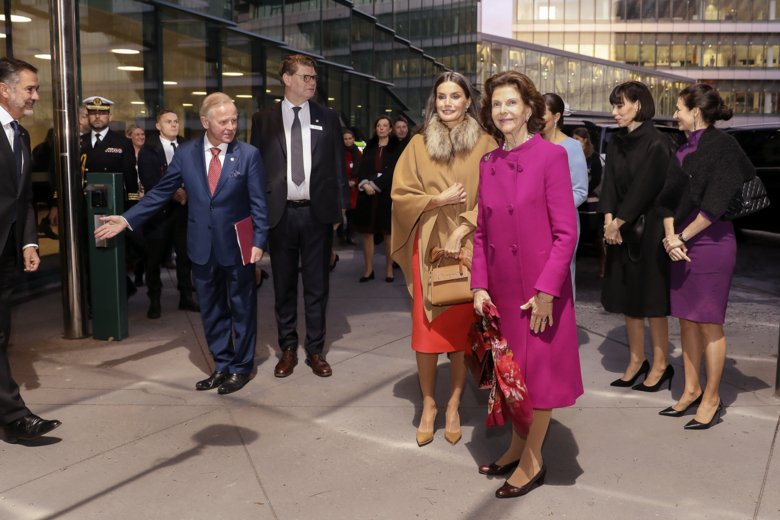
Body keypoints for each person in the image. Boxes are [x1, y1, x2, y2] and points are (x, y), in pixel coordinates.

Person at [94, 92, 269, 395]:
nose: (231, 126)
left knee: (242, 307)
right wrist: (126, 219)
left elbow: (259, 203)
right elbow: (161, 192)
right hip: (201, 244)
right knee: (212, 310)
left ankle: (241, 367)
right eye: (223, 121)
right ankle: (222, 364)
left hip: (240, 244)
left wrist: (260, 241)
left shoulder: (248, 154)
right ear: (205, 122)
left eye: (234, 120)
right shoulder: (186, 154)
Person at [471, 70, 582, 499]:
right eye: (497, 104)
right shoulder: (488, 162)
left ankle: (533, 458)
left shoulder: (551, 156)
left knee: (538, 379)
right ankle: (518, 444)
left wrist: (547, 291)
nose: (504, 111)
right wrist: (479, 285)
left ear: (530, 108)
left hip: (540, 295)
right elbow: (481, 231)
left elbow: (566, 234)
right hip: (500, 292)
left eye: (511, 103)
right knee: (510, 377)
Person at [391, 71, 496, 447]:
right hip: (429, 251)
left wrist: (463, 224)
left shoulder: (485, 144)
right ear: (433, 101)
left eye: (455, 96)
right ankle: (429, 405)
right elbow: (401, 195)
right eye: (441, 96)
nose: (448, 103)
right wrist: (436, 200)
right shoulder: (418, 145)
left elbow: (494, 199)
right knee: (425, 334)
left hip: (467, 247)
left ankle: (453, 405)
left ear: (468, 100)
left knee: (458, 336)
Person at [657, 84, 754, 429]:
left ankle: (712, 397)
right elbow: (667, 199)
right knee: (685, 319)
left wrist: (680, 236)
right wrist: (671, 237)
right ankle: (691, 388)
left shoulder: (723, 147)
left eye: (680, 108)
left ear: (695, 111)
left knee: (709, 322)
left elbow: (714, 206)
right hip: (680, 244)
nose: (675, 115)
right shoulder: (683, 149)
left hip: (711, 244)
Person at [250, 54, 347, 379]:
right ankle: (288, 348)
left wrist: (339, 212)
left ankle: (316, 350)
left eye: (314, 77)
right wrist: (256, 216)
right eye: (305, 76)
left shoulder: (328, 117)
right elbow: (255, 171)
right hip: (280, 216)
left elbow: (336, 165)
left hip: (317, 215)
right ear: (286, 79)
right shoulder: (263, 119)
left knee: (318, 286)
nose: (312, 82)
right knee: (284, 286)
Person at [0, 57, 61, 443]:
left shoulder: (21, 135)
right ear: (4, 89)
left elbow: (21, 200)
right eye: (30, 88)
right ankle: (14, 416)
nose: (36, 96)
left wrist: (28, 241)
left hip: (6, 252)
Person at [598, 81, 673, 392]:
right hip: (619, 230)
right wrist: (608, 222)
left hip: (650, 230)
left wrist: (618, 222)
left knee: (652, 300)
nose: (615, 112)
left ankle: (661, 364)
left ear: (639, 105)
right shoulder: (616, 142)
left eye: (621, 105)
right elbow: (609, 184)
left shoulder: (659, 142)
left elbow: (646, 187)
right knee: (627, 298)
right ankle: (635, 360)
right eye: (614, 106)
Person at [136, 108, 199, 319]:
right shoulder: (149, 149)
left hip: (183, 211)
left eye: (176, 121)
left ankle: (186, 297)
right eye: (168, 121)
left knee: (184, 256)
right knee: (153, 258)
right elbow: (149, 179)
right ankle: (154, 300)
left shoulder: (188, 146)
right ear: (158, 126)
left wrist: (188, 192)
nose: (174, 125)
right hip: (159, 213)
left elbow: (198, 173)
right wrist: (174, 192)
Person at [81, 96, 144, 294]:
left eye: (102, 113)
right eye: (93, 113)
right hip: (85, 206)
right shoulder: (79, 142)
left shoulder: (121, 143)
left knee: (110, 251)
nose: (97, 117)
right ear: (88, 116)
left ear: (110, 116)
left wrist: (131, 206)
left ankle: (115, 290)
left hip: (111, 207)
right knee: (89, 252)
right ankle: (95, 297)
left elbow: (130, 176)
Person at [540, 93, 588, 296]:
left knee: (562, 275)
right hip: (536, 223)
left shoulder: (572, 147)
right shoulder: (534, 144)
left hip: (562, 224)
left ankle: (565, 324)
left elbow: (580, 191)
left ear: (556, 116)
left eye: (542, 113)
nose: (536, 117)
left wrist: (552, 208)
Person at [354, 115, 400, 282]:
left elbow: (394, 171)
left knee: (388, 234)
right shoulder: (369, 147)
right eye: (378, 125)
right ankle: (368, 269)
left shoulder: (396, 148)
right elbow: (362, 168)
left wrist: (375, 185)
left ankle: (389, 269)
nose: (381, 128)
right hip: (367, 196)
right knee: (367, 233)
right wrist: (365, 184)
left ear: (390, 129)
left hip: (386, 195)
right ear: (376, 129)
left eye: (385, 125)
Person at [339, 128, 361, 246]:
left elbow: (362, 170)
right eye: (345, 139)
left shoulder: (358, 153)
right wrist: (345, 181)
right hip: (341, 187)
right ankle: (340, 235)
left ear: (353, 139)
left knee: (352, 214)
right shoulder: (338, 153)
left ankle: (350, 236)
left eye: (350, 138)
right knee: (341, 213)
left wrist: (354, 181)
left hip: (354, 188)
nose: (348, 141)